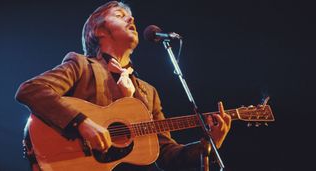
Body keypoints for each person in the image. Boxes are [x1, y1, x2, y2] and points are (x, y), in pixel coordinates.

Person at [15, 1, 231, 171]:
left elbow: (166, 155)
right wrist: (81, 123)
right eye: (120, 15)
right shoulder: (82, 66)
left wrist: (210, 143)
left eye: (130, 17)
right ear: (99, 30)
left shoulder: (148, 92)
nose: (131, 19)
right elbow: (31, 90)